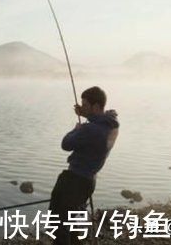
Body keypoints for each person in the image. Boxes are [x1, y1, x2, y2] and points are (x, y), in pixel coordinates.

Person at [48, 86, 119, 245]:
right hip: (89, 180)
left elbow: (65, 144)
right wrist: (85, 114)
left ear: (96, 106)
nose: (82, 107)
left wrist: (76, 129)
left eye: (85, 105)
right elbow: (102, 119)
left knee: (58, 223)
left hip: (74, 181)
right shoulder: (111, 125)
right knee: (71, 223)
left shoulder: (90, 129)